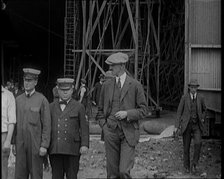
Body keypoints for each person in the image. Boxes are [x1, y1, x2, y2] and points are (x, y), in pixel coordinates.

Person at [96, 52, 148, 178]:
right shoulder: (106, 86)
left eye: (113, 66)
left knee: (124, 171)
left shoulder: (135, 85)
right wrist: (105, 127)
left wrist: (127, 113)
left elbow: (144, 110)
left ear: (122, 66)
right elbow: (100, 111)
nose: (110, 68)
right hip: (111, 132)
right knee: (112, 174)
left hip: (128, 133)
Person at [14, 68, 51, 179]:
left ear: (36, 82)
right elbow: (14, 122)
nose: (27, 83)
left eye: (30, 81)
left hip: (35, 144)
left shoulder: (42, 100)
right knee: (19, 174)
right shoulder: (18, 100)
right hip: (20, 142)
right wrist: (13, 143)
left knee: (36, 174)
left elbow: (46, 125)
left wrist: (44, 145)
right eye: (25, 80)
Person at [48, 78, 89, 179]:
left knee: (72, 176)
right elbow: (47, 127)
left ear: (72, 90)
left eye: (67, 90)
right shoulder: (50, 107)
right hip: (55, 148)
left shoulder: (79, 106)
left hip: (72, 148)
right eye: (62, 90)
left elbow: (84, 127)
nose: (65, 92)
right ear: (58, 90)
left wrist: (84, 144)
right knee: (56, 176)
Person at [174, 79, 207, 174]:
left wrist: (203, 118)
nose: (193, 89)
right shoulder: (184, 98)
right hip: (187, 125)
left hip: (197, 125)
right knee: (186, 147)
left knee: (198, 143)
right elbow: (179, 112)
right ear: (189, 87)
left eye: (195, 87)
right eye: (191, 87)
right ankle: (186, 166)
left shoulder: (201, 98)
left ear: (197, 88)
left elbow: (205, 110)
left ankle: (194, 165)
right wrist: (176, 126)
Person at [1, 86, 16, 179]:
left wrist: (8, 140)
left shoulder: (8, 95)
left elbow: (12, 121)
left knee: (3, 167)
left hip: (3, 134)